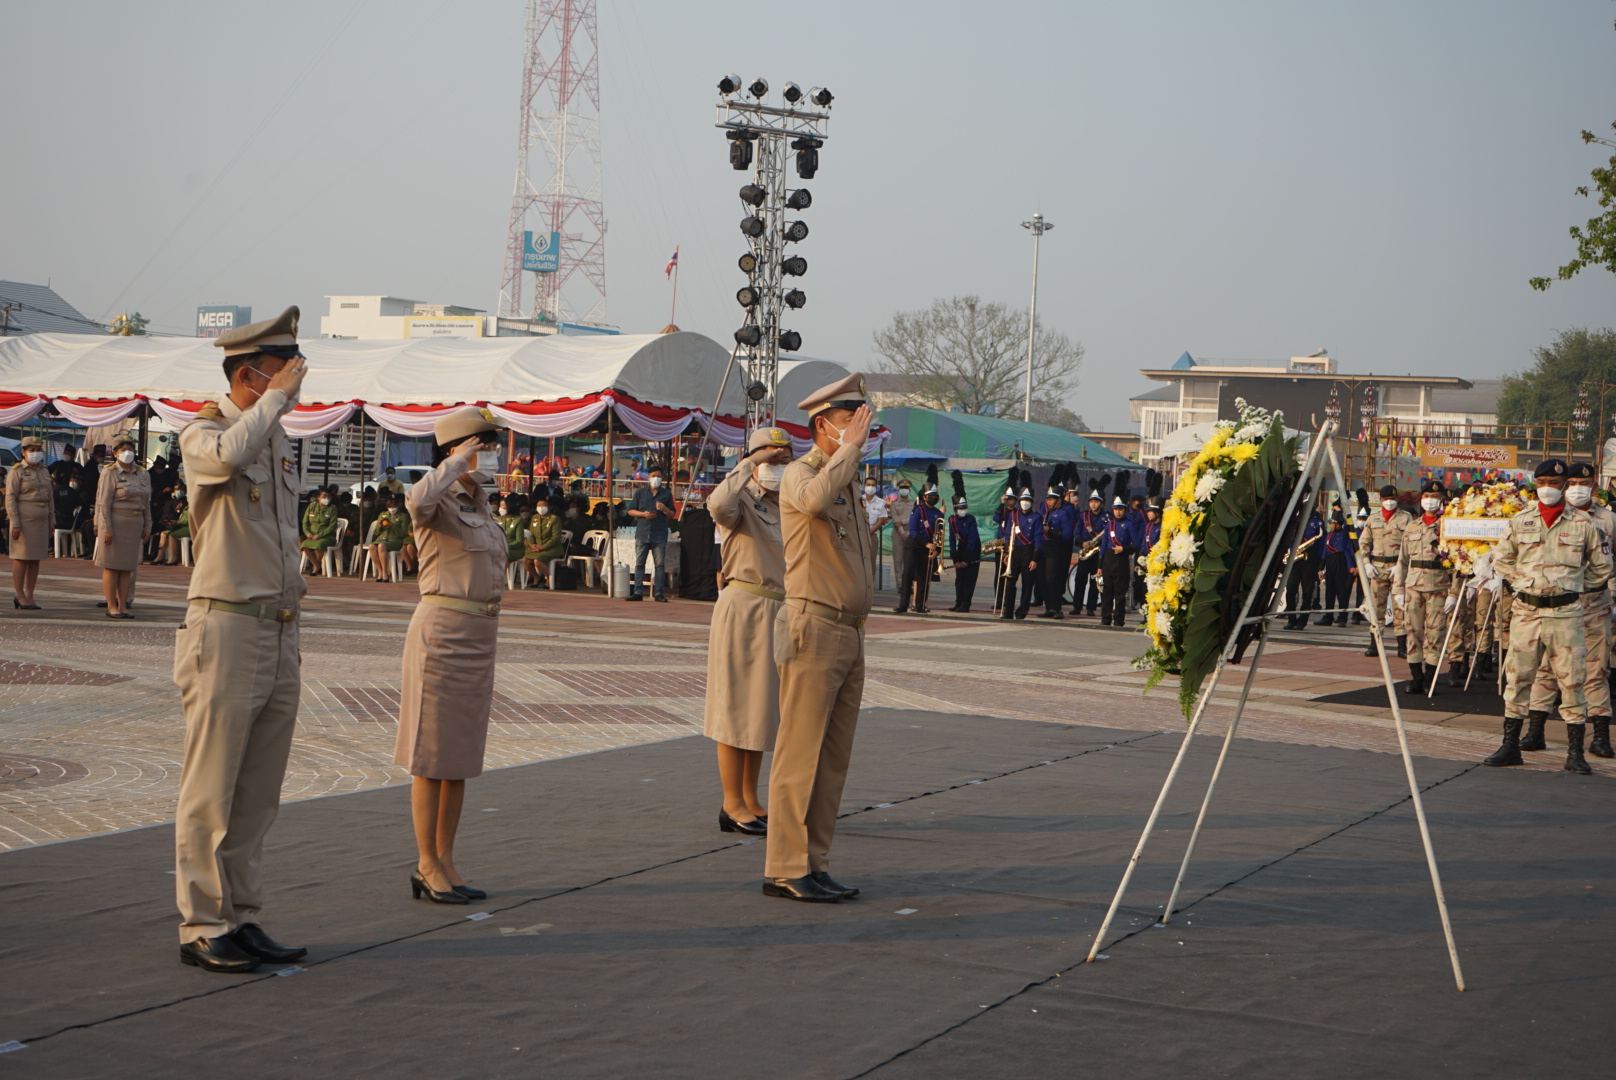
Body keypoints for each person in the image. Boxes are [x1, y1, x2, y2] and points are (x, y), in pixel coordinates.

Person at [172, 306, 310, 973]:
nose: (297, 380)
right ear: (250, 374)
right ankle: (201, 923)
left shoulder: (276, 440)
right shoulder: (205, 433)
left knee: (258, 790)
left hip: (278, 628)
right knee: (211, 787)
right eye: (284, 369)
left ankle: (243, 915)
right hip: (225, 625)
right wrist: (276, 400)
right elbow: (228, 456)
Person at [765, 374, 874, 903]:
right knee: (800, 754)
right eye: (849, 421)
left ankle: (815, 861)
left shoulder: (845, 480)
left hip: (849, 633)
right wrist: (846, 453)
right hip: (814, 625)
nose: (858, 432)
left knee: (832, 759)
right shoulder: (800, 474)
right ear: (822, 425)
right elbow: (810, 503)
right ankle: (785, 865)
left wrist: (847, 459)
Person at [392, 408, 507, 905]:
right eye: (486, 442)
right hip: (442, 633)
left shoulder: (482, 503)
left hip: (480, 632)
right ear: (462, 446)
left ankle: (447, 858)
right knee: (430, 755)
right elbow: (416, 500)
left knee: (459, 756)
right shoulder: (436, 496)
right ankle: (425, 863)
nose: (495, 451)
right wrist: (455, 464)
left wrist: (467, 472)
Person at [1484, 458, 1612, 774]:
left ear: (1564, 486)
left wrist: (1574, 586)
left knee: (1573, 680)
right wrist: (1521, 581)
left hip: (1566, 613)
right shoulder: (1520, 521)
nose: (1548, 489)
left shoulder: (1584, 525)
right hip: (1526, 611)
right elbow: (1501, 559)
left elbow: (1603, 568)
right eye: (1542, 483)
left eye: (1554, 484)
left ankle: (1574, 753)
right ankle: (1511, 746)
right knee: (1518, 677)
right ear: (1536, 485)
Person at [705, 427, 792, 838]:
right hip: (744, 605)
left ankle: (751, 798)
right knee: (736, 707)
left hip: (777, 608)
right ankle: (731, 802)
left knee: (762, 710)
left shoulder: (783, 504)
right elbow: (716, 504)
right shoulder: (739, 500)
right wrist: (750, 464)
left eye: (782, 459)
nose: (776, 466)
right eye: (771, 460)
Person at [1523, 461, 1616, 758]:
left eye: (1584, 483)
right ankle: (1535, 731)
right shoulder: (1553, 516)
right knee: (1546, 668)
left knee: (1596, 669)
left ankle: (1600, 735)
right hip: (1559, 608)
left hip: (1594, 607)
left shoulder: (1608, 519)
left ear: (1595, 486)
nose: (1577, 488)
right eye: (1572, 482)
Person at [1396, 480, 1451, 694]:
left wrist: (1454, 593)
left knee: (1435, 634)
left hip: (1439, 586)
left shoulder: (1448, 526)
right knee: (1413, 632)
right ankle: (1416, 677)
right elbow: (1402, 560)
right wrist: (1398, 590)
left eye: (1435, 497)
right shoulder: (1412, 527)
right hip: (1413, 586)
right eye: (1427, 496)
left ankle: (1430, 677)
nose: (1431, 500)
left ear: (1442, 500)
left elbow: (1458, 563)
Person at [94, 438, 152, 619]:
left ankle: (123, 605)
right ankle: (111, 605)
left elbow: (146, 502)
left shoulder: (142, 473)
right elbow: (104, 502)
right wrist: (107, 528)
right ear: (115, 453)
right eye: (123, 449)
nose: (127, 452)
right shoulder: (109, 472)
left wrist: (148, 525)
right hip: (115, 521)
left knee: (128, 567)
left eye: (130, 449)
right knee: (112, 566)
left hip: (135, 523)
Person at [1362, 484, 1412, 658]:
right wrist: (1366, 563)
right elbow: (1363, 543)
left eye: (1392, 499)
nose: (1389, 502)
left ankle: (1401, 646)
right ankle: (1374, 644)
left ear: (1397, 499)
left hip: (1398, 568)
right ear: (1380, 500)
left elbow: (1410, 544)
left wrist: (1401, 565)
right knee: (1376, 608)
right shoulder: (1373, 518)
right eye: (1386, 499)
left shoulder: (1406, 518)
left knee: (1400, 607)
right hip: (1378, 568)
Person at [6, 436, 53, 609]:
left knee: (35, 559)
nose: (35, 453)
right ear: (23, 452)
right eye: (31, 450)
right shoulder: (17, 470)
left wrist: (51, 520)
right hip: (24, 518)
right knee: (21, 558)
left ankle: (30, 594)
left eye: (38, 450)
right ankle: (19, 594)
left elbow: (50, 497)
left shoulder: (44, 471)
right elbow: (10, 498)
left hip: (41, 518)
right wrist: (15, 522)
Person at [626, 466, 675, 601]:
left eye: (658, 476)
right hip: (642, 533)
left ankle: (659, 593)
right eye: (653, 476)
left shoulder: (666, 494)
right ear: (648, 477)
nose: (656, 478)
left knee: (659, 564)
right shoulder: (640, 493)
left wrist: (664, 509)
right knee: (639, 563)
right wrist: (643, 514)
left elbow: (672, 514)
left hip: (659, 534)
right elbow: (631, 511)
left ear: (662, 478)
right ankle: (638, 592)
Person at [901, 482, 945, 614]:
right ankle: (903, 605)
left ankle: (920, 605)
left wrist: (937, 550)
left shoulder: (939, 514)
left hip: (929, 549)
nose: (934, 498)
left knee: (924, 577)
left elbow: (940, 535)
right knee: (908, 574)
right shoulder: (917, 510)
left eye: (935, 495)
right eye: (931, 495)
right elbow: (914, 531)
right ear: (924, 497)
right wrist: (927, 544)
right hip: (914, 546)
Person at [998, 488, 1041, 620]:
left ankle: (1021, 613)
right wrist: (1007, 553)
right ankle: (1007, 612)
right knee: (1010, 583)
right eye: (1023, 500)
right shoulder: (1014, 515)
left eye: (1027, 500)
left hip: (1029, 552)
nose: (1025, 503)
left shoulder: (1036, 517)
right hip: (1015, 551)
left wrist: (1035, 559)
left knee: (1027, 586)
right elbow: (1008, 535)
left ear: (1031, 502)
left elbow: (1038, 538)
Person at [1099, 496, 1140, 627]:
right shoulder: (1109, 525)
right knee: (1107, 593)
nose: (1118, 512)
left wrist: (1124, 549)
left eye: (1121, 509)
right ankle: (1105, 619)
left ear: (1125, 510)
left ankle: (1118, 620)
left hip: (1121, 560)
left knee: (1120, 594)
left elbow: (1136, 544)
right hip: (1108, 560)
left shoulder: (1129, 525)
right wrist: (1099, 565)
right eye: (1116, 509)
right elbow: (1104, 545)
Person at [1037, 482, 1075, 619]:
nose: (1049, 502)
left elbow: (1067, 534)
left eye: (1052, 499)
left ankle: (1057, 608)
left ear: (1059, 500)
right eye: (1048, 499)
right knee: (1042, 579)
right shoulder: (1044, 512)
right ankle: (1049, 608)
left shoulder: (1063, 513)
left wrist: (1051, 531)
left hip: (1055, 547)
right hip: (1042, 547)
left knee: (1052, 578)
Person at [1283, 505, 1325, 630]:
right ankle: (1291, 619)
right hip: (1294, 558)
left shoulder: (1317, 522)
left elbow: (1322, 542)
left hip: (1309, 559)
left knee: (1307, 592)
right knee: (1290, 590)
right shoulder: (1294, 521)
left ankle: (1302, 621)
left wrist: (1319, 562)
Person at [1317, 513, 1357, 626]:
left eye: (1332, 523)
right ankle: (1328, 616)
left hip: (1341, 562)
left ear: (1339, 525)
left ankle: (1342, 618)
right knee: (1330, 592)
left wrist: (1351, 566)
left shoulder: (1345, 535)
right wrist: (1320, 569)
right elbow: (1325, 552)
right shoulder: (1329, 535)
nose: (1330, 525)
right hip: (1330, 562)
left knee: (1342, 592)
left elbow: (1348, 551)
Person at [948, 482, 981, 613]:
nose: (963, 510)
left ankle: (966, 604)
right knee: (959, 579)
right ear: (956, 509)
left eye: (964, 507)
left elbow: (972, 540)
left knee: (969, 579)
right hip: (961, 548)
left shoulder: (971, 519)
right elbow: (951, 539)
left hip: (972, 551)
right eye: (960, 508)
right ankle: (958, 602)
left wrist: (966, 559)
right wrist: (955, 557)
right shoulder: (952, 520)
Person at [1073, 491, 1107, 616]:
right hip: (1085, 551)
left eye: (1096, 502)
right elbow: (1077, 534)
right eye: (1091, 502)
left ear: (1101, 504)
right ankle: (1076, 607)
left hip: (1098, 553)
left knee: (1095, 581)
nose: (1093, 504)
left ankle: (1090, 608)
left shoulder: (1107, 517)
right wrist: (1082, 543)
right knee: (1080, 580)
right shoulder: (1083, 516)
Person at [523, 494, 566, 585]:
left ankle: (550, 578)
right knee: (526, 560)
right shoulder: (534, 518)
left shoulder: (554, 519)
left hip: (552, 548)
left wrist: (543, 547)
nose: (541, 508)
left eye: (544, 505)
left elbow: (555, 538)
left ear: (550, 507)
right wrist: (532, 545)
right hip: (537, 548)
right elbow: (531, 534)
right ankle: (536, 577)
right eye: (539, 505)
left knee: (538, 561)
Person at [888, 479, 917, 606]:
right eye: (901, 487)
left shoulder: (914, 504)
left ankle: (909, 584)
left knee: (909, 560)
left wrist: (904, 524)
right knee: (898, 560)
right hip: (898, 533)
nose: (904, 489)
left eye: (906, 487)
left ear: (909, 490)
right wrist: (902, 532)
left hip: (911, 532)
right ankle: (900, 585)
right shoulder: (894, 504)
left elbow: (913, 518)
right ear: (899, 490)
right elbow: (895, 520)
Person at [299, 488, 340, 572]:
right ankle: (317, 565)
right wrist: (307, 533)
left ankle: (315, 568)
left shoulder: (332, 508)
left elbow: (332, 526)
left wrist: (320, 535)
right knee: (304, 545)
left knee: (320, 544)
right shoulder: (312, 506)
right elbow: (305, 522)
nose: (326, 498)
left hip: (327, 537)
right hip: (312, 536)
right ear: (318, 497)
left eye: (328, 496)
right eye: (324, 496)